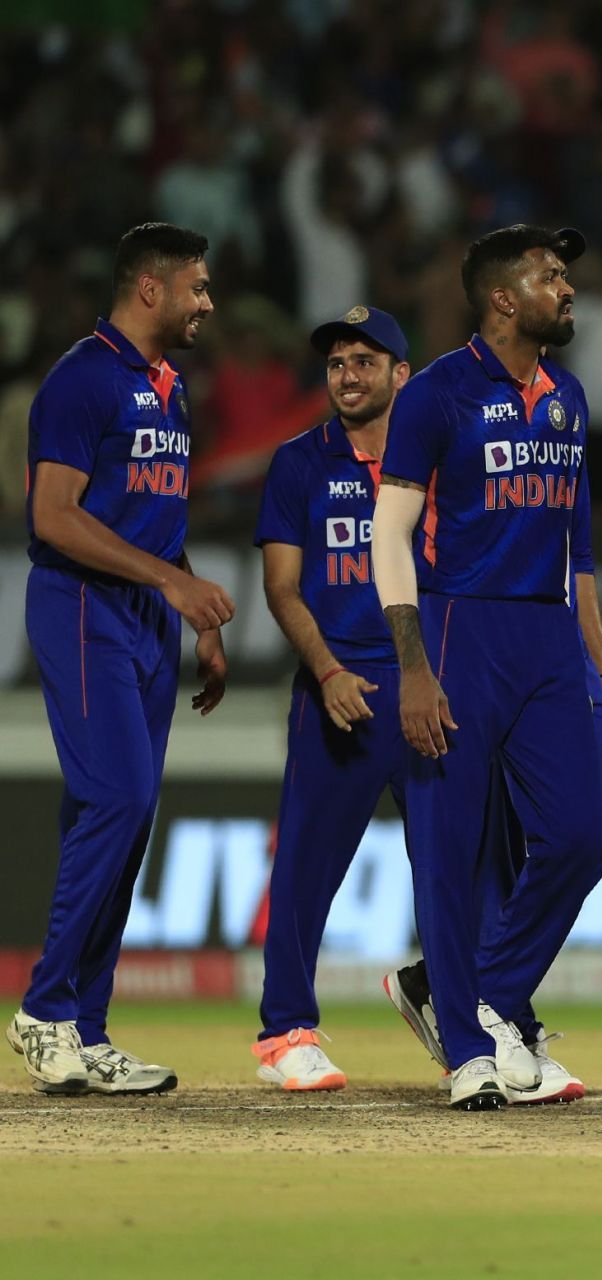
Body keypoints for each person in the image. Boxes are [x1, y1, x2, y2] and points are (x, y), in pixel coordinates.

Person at [371, 224, 602, 1111]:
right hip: (455, 627)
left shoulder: (570, 395)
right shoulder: (437, 392)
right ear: (502, 298)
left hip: (549, 636)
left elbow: (578, 549)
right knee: (448, 848)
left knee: (593, 830)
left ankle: (480, 998)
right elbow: (389, 535)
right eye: (551, 275)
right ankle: (471, 1054)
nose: (567, 287)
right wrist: (410, 666)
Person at [9, 223, 232, 1096]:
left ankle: (86, 1028)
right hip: (79, 606)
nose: (208, 304)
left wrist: (189, 606)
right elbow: (55, 519)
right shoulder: (81, 379)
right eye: (199, 288)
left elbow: (148, 519)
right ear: (151, 288)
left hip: (147, 614)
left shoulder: (168, 388)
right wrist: (169, 587)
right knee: (120, 796)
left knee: (124, 818)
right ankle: (44, 1009)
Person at [249, 306, 412, 1091]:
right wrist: (328, 670)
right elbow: (282, 590)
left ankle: (466, 1009)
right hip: (337, 692)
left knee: (466, 867)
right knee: (306, 869)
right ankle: (285, 1032)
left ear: (400, 375)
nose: (347, 375)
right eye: (337, 362)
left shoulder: (437, 463)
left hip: (426, 691)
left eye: (364, 361)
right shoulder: (298, 464)